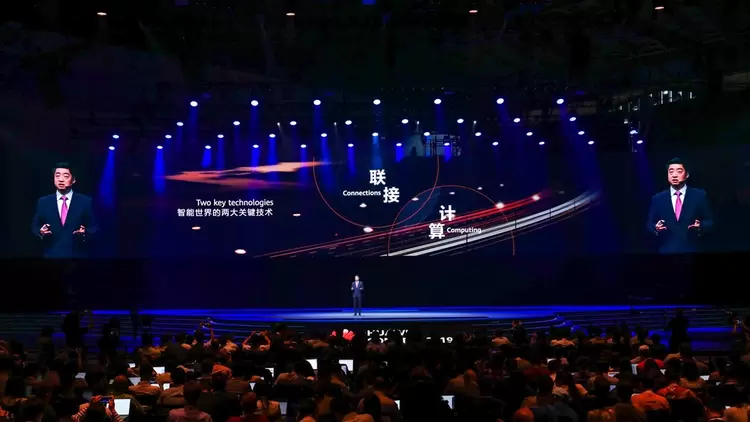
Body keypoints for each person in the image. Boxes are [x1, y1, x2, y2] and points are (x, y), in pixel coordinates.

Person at [31, 163, 99, 258]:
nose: (61, 179)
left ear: (73, 180)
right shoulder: (43, 202)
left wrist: (85, 232)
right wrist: (40, 232)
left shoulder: (85, 201)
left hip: (77, 255)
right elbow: (35, 226)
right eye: (57, 176)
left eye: (66, 176)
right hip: (51, 254)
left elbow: (94, 227)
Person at [646, 158, 713, 253]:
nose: (674, 175)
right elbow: (650, 223)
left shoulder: (699, 196)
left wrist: (700, 226)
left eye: (679, 171)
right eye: (671, 172)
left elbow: (710, 221)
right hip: (666, 250)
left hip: (693, 250)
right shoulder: (658, 199)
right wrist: (655, 228)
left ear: (687, 174)